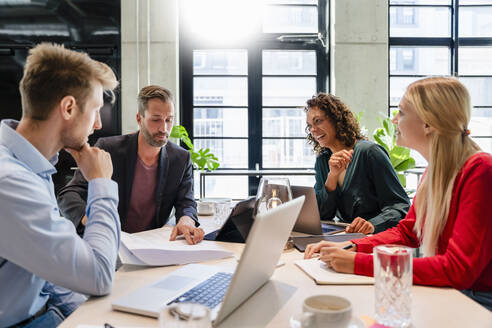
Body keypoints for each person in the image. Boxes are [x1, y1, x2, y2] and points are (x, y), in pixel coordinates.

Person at [304, 77, 492, 311]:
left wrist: (357, 263)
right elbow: (407, 232)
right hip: (453, 292)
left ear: (428, 123)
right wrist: (351, 246)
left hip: (476, 301)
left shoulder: (480, 170)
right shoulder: (434, 172)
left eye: (401, 113)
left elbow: (458, 269)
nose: (394, 120)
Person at [0, 43, 120, 327]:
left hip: (43, 310)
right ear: (68, 107)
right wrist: (101, 183)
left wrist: (92, 318)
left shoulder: (30, 165)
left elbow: (45, 274)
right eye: (95, 110)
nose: (98, 125)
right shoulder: (11, 182)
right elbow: (100, 275)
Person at [58, 85, 204, 244]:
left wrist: (186, 220)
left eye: (169, 120)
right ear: (139, 119)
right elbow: (68, 194)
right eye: (156, 119)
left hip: (153, 245)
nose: (164, 128)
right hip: (109, 243)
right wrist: (90, 219)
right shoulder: (108, 149)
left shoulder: (181, 158)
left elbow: (186, 202)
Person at [305, 93, 410, 234]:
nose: (313, 129)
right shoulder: (323, 161)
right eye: (310, 125)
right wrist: (332, 176)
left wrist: (372, 224)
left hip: (376, 239)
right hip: (345, 237)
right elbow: (323, 215)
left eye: (318, 121)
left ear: (336, 119)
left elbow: (400, 206)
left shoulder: (369, 153)